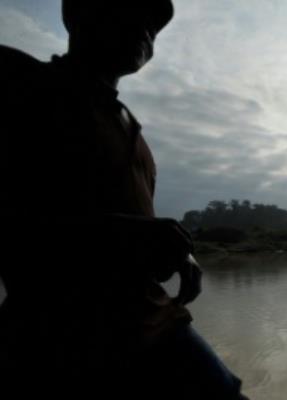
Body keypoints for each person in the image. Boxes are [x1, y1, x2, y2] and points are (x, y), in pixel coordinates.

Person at [0, 1, 247, 399]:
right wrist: (121, 234)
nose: (146, 30)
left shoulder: (135, 134)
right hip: (60, 339)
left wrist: (178, 252)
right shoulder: (20, 82)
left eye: (154, 26)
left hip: (156, 324)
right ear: (78, 14)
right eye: (129, 11)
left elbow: (132, 221)